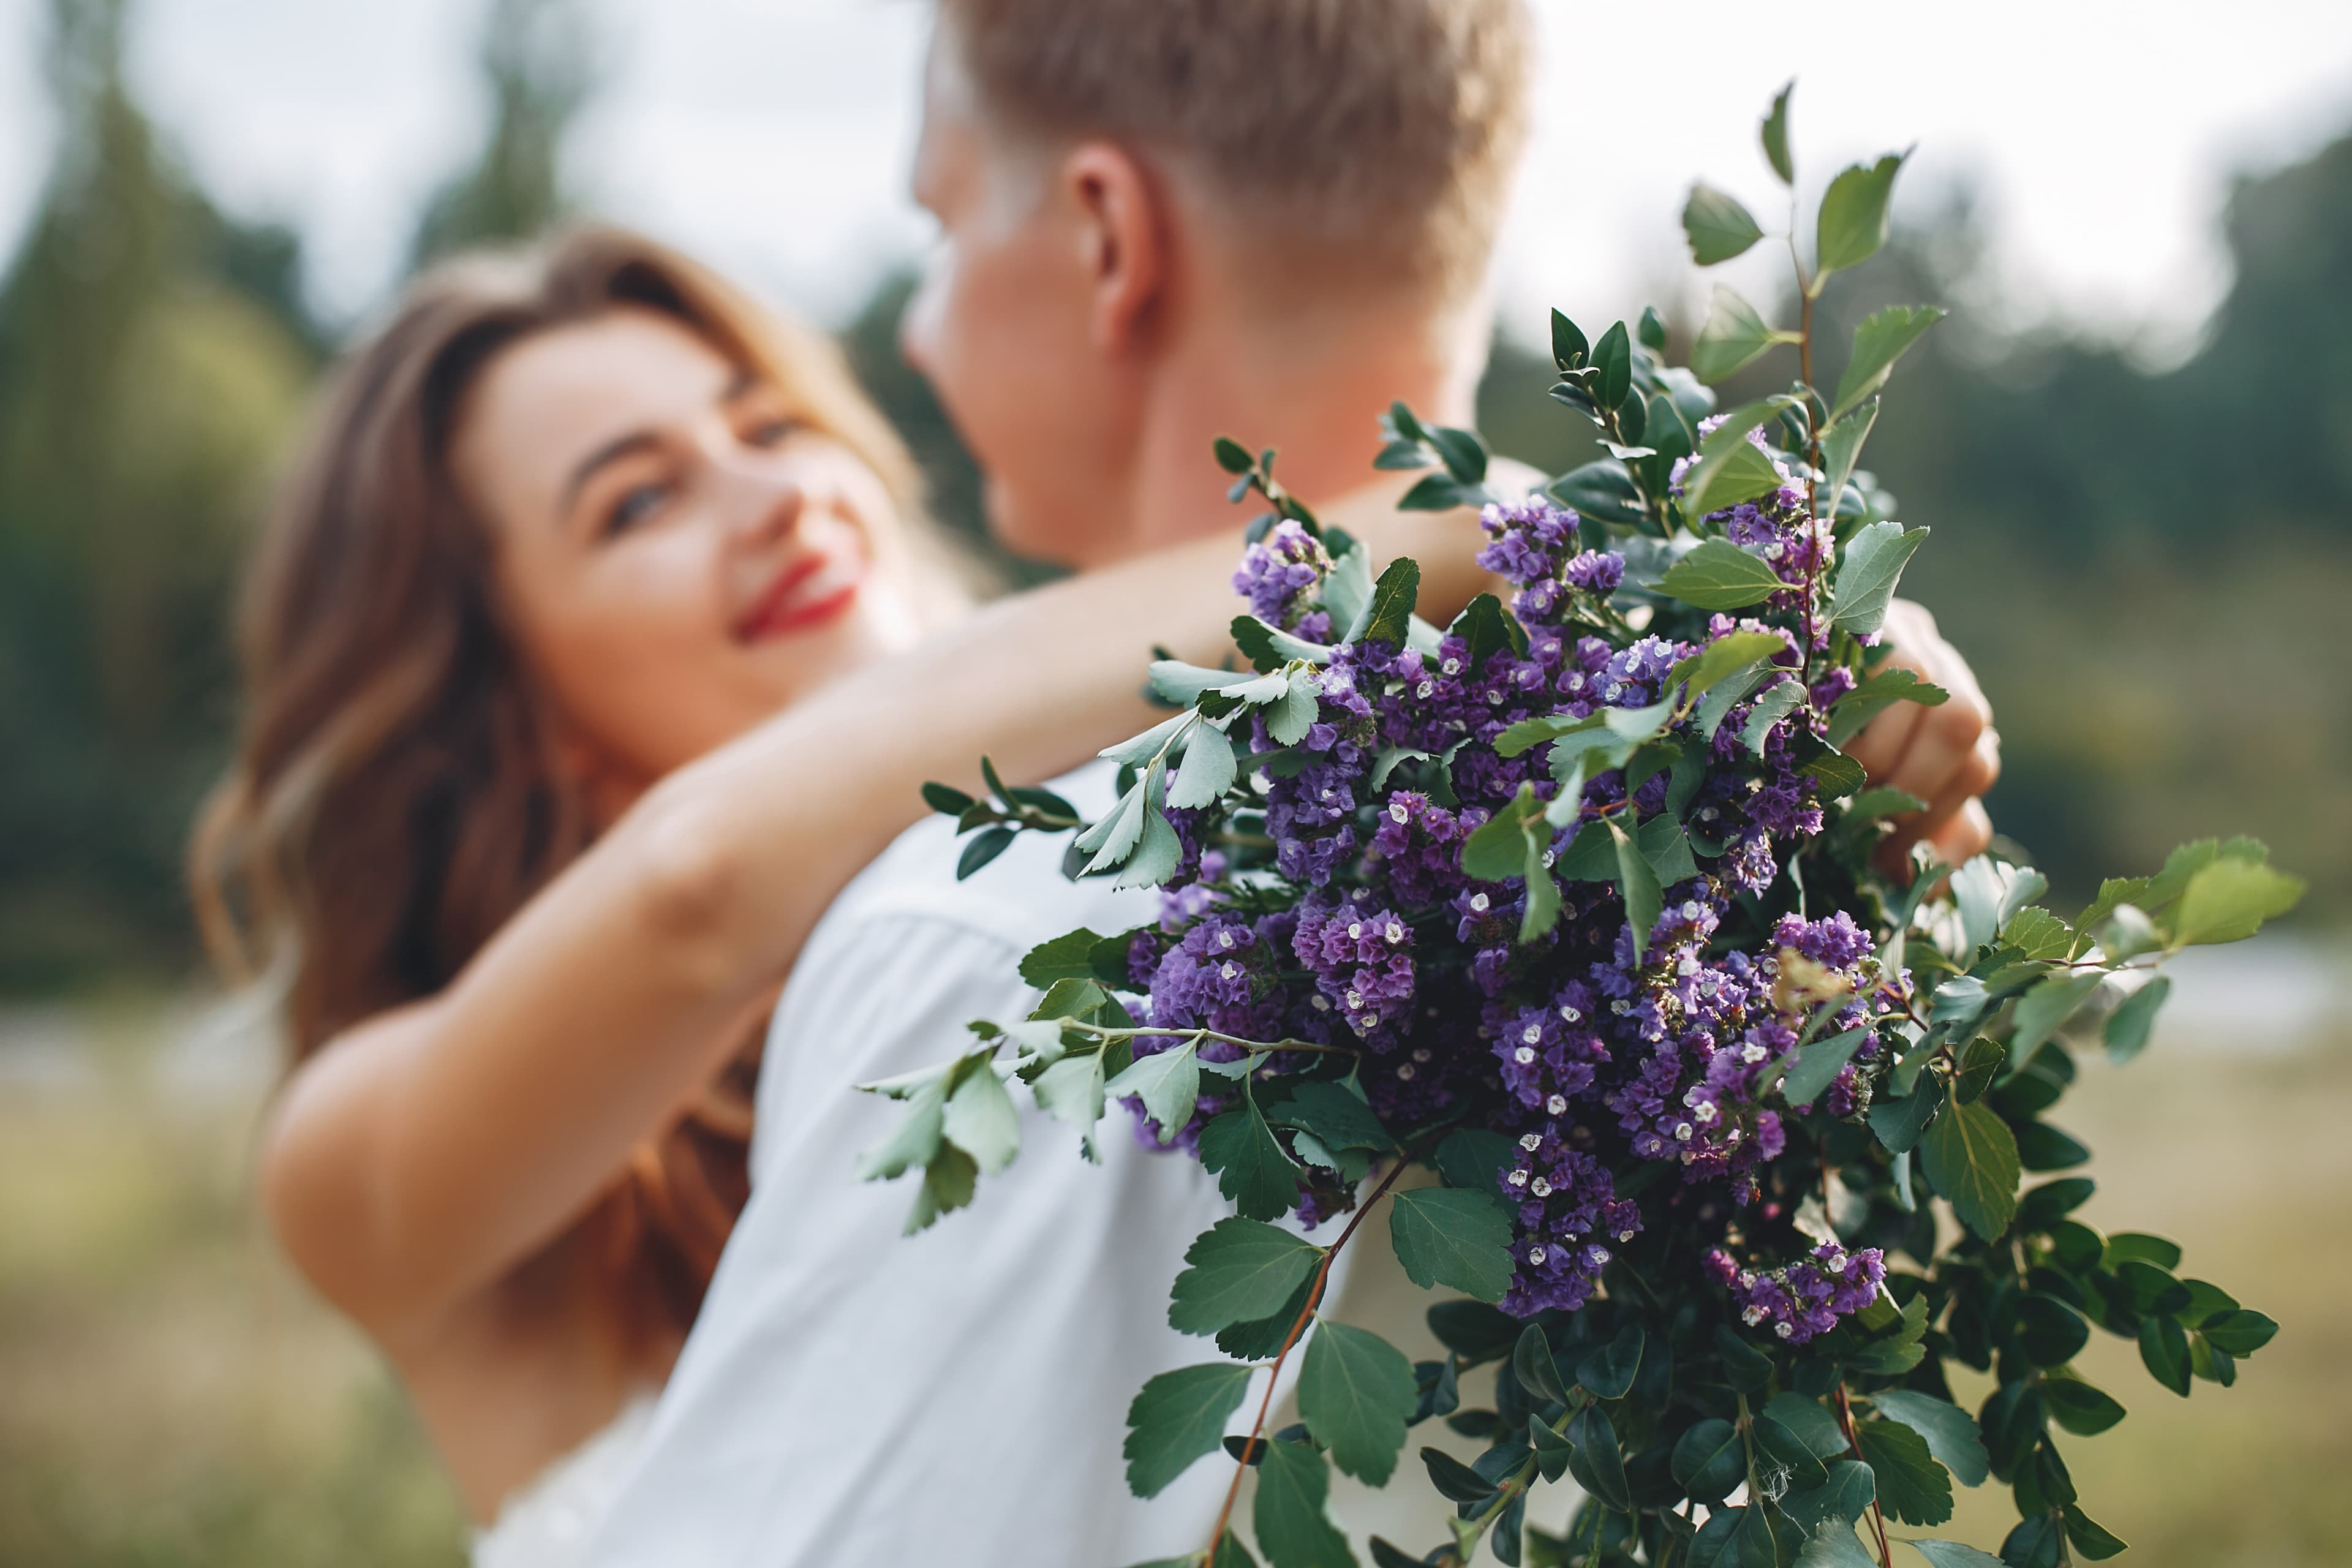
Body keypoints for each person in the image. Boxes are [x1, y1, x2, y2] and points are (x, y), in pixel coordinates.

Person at [583, 2, 2000, 1564]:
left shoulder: (1013, 962)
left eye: (937, 223)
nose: (915, 331)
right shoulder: (1772, 909)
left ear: (1106, 236)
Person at [190, 227, 1507, 1565]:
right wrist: (1435, 540)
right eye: (637, 501)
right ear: (510, 718)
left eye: (767, 424)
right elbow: (694, 886)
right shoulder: (346, 1155)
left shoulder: (1112, 915)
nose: (778, 496)